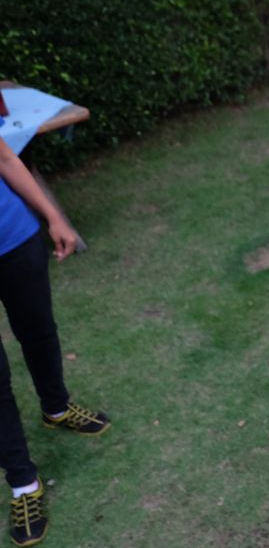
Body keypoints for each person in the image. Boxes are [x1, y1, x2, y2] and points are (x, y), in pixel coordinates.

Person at [0, 136, 110, 547]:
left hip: (14, 238)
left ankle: (57, 408)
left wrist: (53, 216)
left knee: (39, 332)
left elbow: (4, 157)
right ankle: (23, 484)